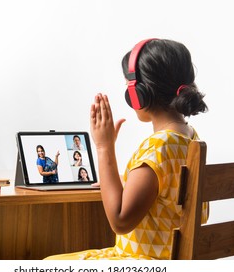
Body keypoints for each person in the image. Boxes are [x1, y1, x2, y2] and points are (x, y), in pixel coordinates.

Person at [45, 38, 209, 260]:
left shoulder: (158, 147)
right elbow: (163, 190)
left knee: (49, 264)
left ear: (138, 93)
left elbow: (120, 220)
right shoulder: (190, 139)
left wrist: (104, 147)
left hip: (141, 263)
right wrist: (122, 182)